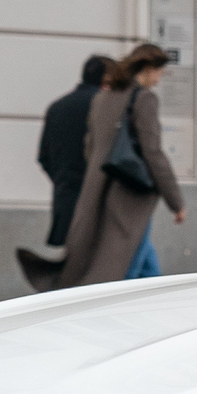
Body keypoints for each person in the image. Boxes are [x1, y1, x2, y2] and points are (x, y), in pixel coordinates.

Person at [16, 44, 185, 291]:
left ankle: (153, 308)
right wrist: (176, 202)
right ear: (148, 69)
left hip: (96, 192)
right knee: (125, 266)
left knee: (140, 260)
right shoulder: (144, 99)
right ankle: (130, 314)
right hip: (131, 194)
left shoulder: (102, 99)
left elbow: (88, 148)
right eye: (159, 73)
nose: (159, 80)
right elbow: (153, 152)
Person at [37, 54, 112, 248]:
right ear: (107, 80)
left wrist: (63, 179)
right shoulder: (105, 107)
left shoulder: (57, 107)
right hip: (99, 200)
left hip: (66, 196)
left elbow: (44, 157)